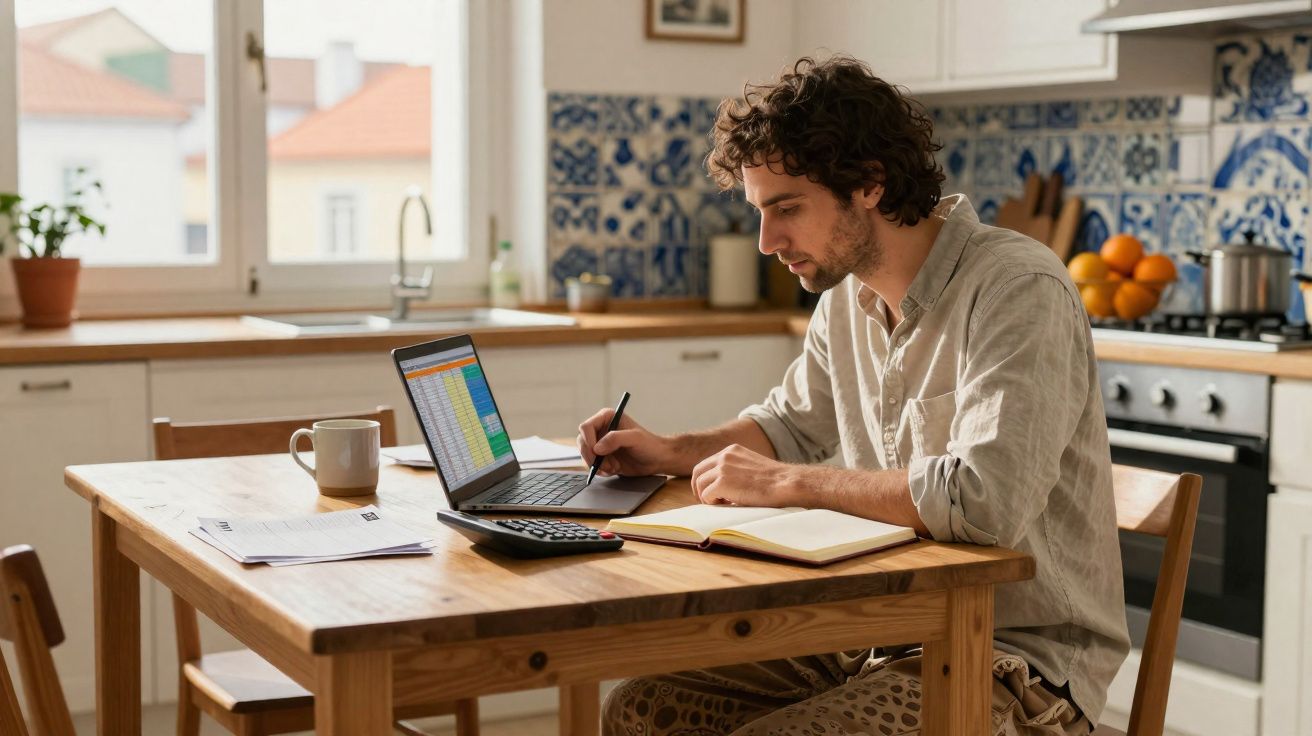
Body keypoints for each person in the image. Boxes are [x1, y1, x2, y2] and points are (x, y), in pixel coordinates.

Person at [578, 56, 1129, 736]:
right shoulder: (845, 302)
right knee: (638, 710)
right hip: (877, 632)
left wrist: (790, 484)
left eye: (786, 209)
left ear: (869, 184)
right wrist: (670, 451)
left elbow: (982, 505)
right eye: (759, 211)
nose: (766, 241)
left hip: (1009, 663)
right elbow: (786, 426)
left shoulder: (1016, 289)